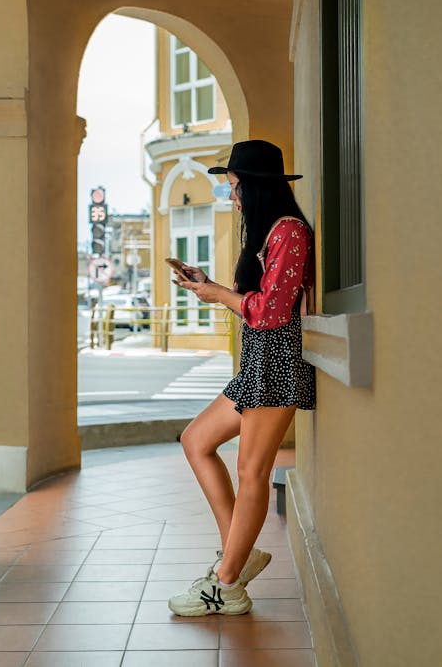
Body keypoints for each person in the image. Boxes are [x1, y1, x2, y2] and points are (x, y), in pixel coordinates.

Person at [167, 139, 316, 617]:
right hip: (258, 361)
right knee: (196, 441)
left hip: (275, 359)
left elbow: (271, 314)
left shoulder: (290, 231)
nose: (232, 197)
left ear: (256, 188)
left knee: (252, 472)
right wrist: (209, 286)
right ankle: (241, 552)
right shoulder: (268, 232)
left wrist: (215, 294)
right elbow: (254, 303)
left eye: (235, 188)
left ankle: (226, 583)